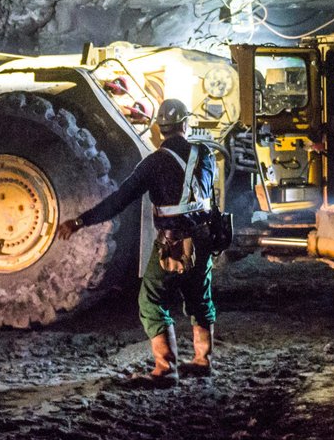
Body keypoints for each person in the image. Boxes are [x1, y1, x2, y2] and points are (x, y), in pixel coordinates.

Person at [57, 97, 218, 381]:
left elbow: (120, 200)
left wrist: (81, 221)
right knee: (199, 298)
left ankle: (165, 368)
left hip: (174, 243)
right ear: (184, 123)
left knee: (151, 301)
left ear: (159, 129)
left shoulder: (152, 164)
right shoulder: (204, 154)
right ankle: (203, 361)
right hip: (204, 239)